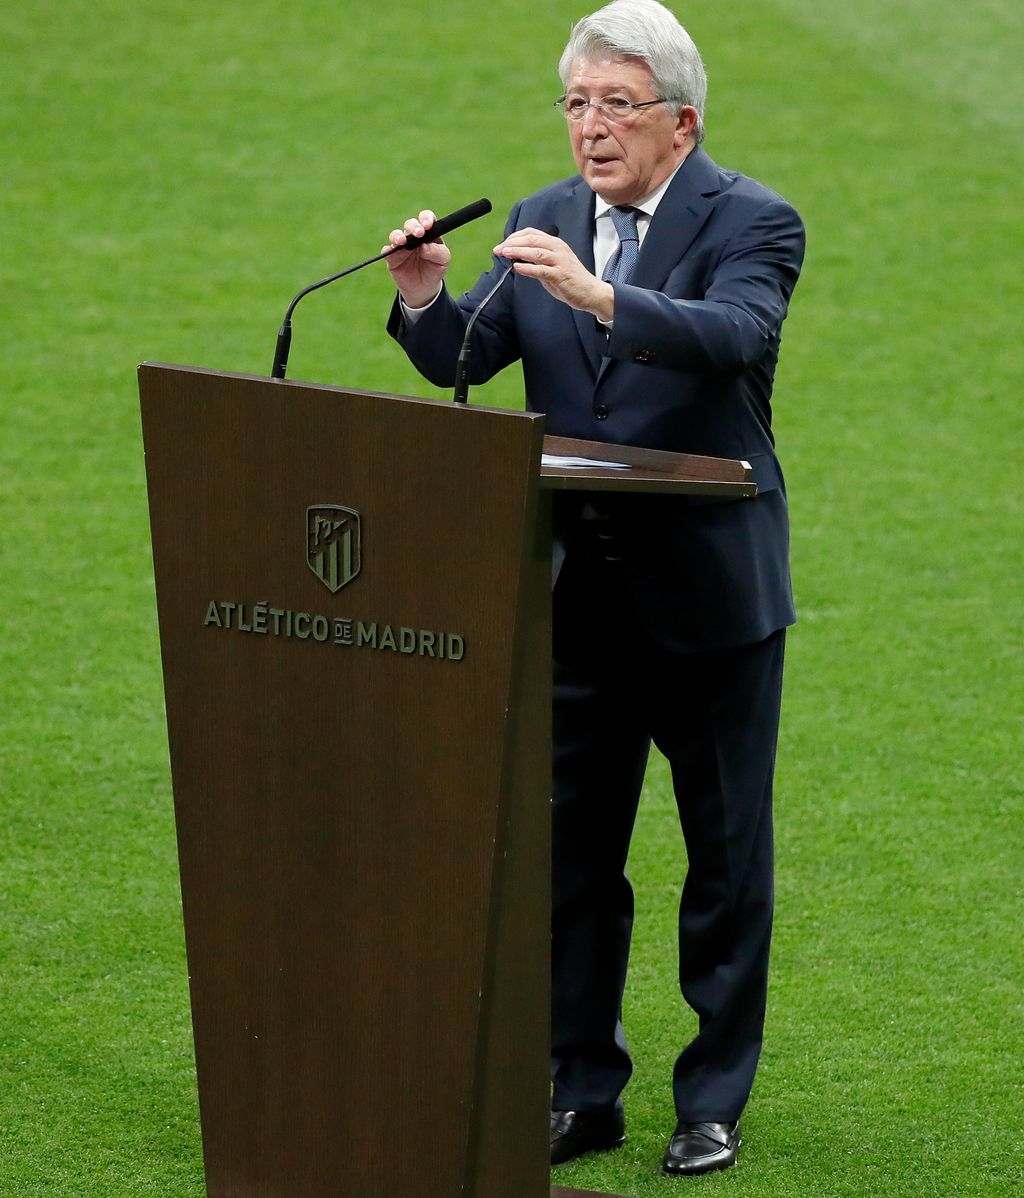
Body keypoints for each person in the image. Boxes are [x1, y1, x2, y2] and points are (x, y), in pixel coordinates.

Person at [384, 0, 804, 1178]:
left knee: (725, 863)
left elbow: (733, 336)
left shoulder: (755, 218)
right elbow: (468, 358)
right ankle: (584, 1087)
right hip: (575, 604)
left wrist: (599, 295)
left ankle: (710, 1098)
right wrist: (425, 294)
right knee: (571, 858)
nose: (589, 128)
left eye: (615, 104)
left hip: (712, 606)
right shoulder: (540, 220)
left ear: (681, 120)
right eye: (574, 103)